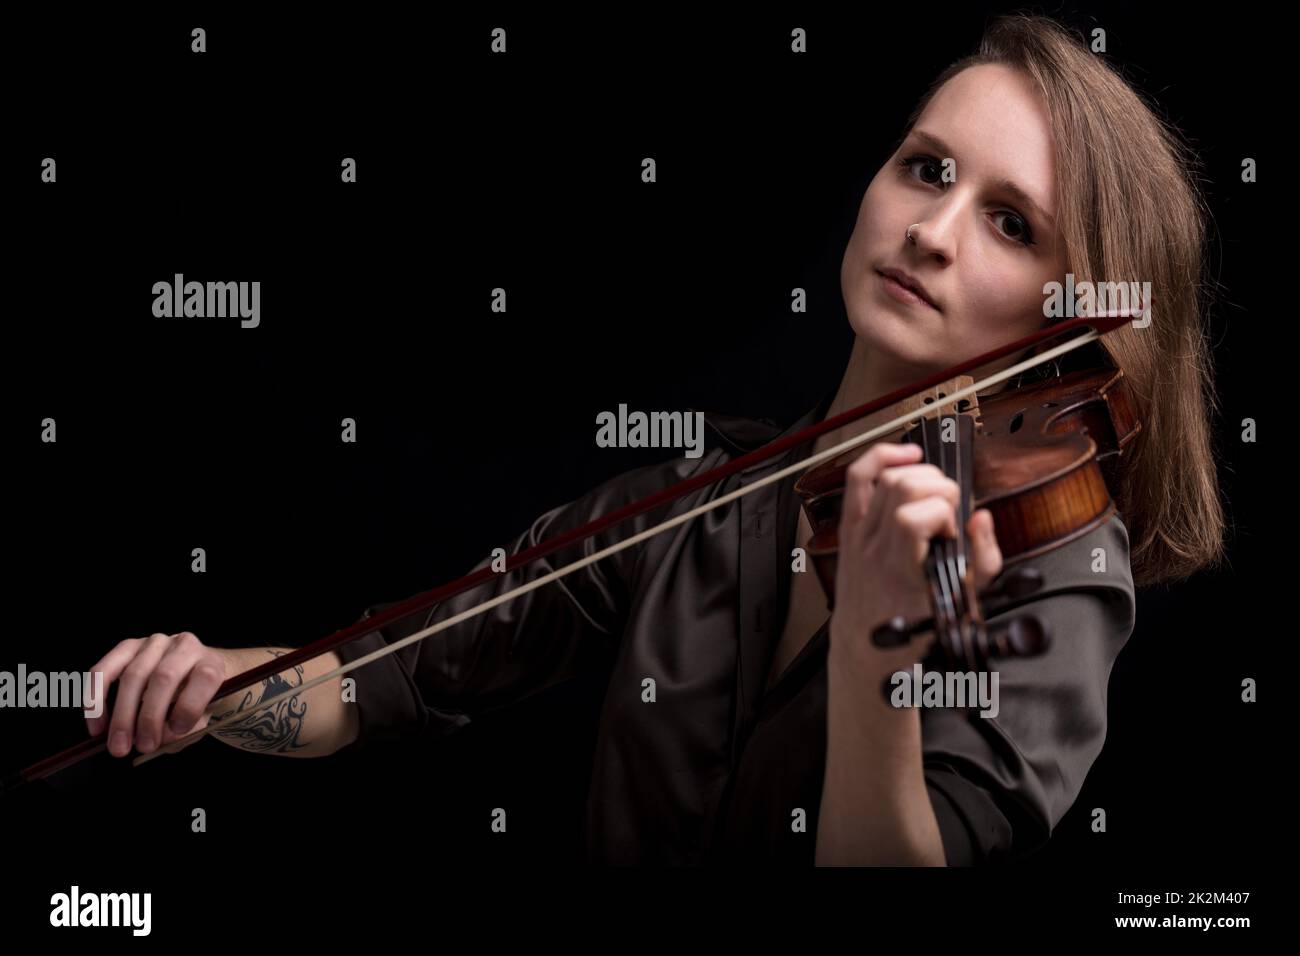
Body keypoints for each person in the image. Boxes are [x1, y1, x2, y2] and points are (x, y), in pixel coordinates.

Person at [83, 14, 1225, 865]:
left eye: (1009, 221)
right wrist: (215, 686)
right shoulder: (701, 493)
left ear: (1071, 309)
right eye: (926, 168)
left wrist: (880, 657)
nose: (929, 231)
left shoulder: (1053, 565)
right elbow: (390, 678)